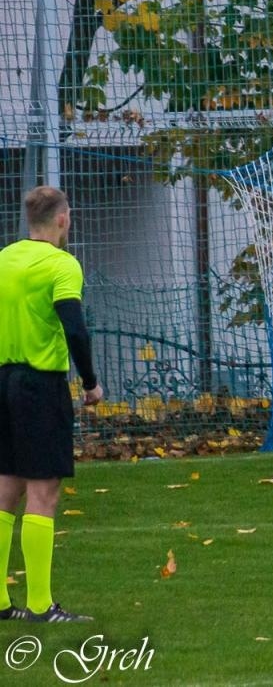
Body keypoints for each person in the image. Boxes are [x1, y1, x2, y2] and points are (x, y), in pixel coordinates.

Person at [0, 186, 101, 623]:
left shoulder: (4, 259)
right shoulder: (62, 265)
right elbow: (74, 328)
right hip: (40, 386)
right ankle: (41, 606)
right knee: (44, 492)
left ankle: (1, 603)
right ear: (63, 219)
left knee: (5, 490)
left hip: (2, 382)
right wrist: (91, 382)